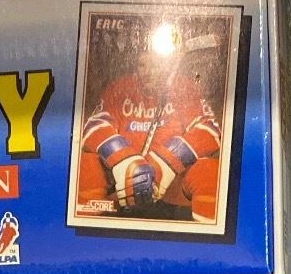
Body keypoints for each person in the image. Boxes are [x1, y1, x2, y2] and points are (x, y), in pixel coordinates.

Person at [78, 20, 221, 218]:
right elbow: (94, 125)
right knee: (86, 166)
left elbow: (210, 129)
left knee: (210, 172)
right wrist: (124, 159)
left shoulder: (184, 87)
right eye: (142, 65)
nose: (147, 72)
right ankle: (86, 232)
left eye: (154, 65)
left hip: (171, 186)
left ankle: (207, 236)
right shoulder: (121, 88)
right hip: (124, 184)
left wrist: (167, 160)